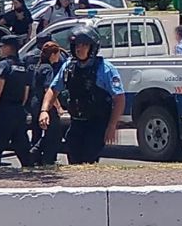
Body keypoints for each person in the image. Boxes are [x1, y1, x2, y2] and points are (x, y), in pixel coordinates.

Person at [39, 26, 125, 165]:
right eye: (77, 45)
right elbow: (53, 90)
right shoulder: (68, 67)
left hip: (97, 123)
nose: (80, 49)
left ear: (93, 47)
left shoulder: (105, 69)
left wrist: (112, 125)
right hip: (77, 122)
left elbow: (119, 98)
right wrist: (44, 111)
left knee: (88, 158)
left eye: (84, 45)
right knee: (73, 155)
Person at [0, 35, 34, 167]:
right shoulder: (23, 66)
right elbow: (25, 92)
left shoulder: (3, 66)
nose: (1, 50)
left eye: (2, 47)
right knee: (22, 146)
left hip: (3, 112)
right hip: (18, 111)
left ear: (8, 48)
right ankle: (29, 171)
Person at [29, 41, 67, 165]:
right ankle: (40, 155)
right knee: (54, 133)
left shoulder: (39, 66)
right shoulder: (48, 69)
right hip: (44, 104)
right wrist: (58, 107)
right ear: (53, 55)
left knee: (39, 131)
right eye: (58, 54)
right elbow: (49, 89)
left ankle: (37, 156)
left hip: (35, 103)